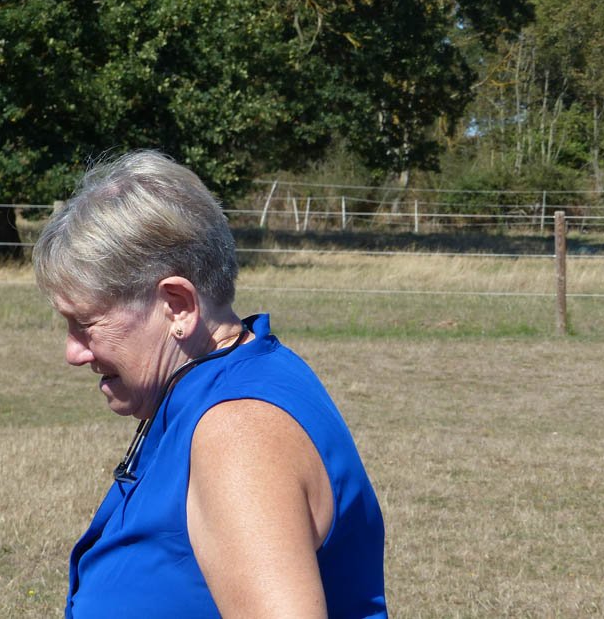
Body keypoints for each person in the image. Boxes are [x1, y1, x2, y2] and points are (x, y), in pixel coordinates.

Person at [32, 150, 387, 618]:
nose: (73, 353)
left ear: (177, 305)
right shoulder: (235, 378)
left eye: (86, 324)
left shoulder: (239, 433)